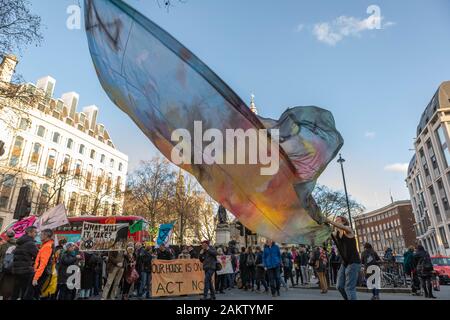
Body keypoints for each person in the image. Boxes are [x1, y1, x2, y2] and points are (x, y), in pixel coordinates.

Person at [327, 216, 361, 300]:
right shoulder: (336, 234)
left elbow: (341, 227)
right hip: (344, 263)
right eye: (335, 220)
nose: (335, 221)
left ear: (343, 221)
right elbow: (326, 233)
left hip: (353, 262)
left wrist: (329, 221)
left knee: (349, 288)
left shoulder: (348, 230)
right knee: (339, 286)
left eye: (338, 220)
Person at [11, 226, 38, 300]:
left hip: (16, 269)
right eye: (35, 232)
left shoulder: (20, 241)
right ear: (29, 232)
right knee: (25, 291)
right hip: (25, 270)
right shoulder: (30, 244)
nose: (36, 234)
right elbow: (38, 256)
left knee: (15, 290)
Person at [0, 231, 16, 300]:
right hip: (11, 269)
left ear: (7, 237)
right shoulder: (18, 245)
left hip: (2, 267)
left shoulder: (3, 246)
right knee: (7, 286)